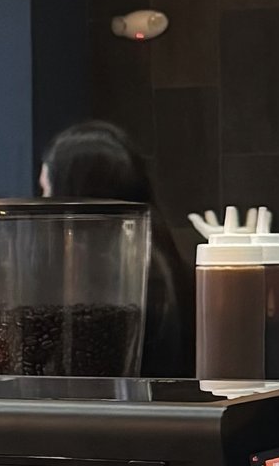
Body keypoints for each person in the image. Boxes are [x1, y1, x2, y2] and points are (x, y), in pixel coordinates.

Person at [39, 118, 190, 376]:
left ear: (72, 197)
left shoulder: (113, 279)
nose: (42, 205)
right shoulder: (158, 257)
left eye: (45, 192)